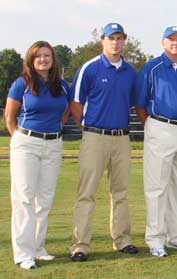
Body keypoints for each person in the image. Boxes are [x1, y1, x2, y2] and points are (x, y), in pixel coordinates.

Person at [69, 22, 139, 262]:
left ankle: (122, 240)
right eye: (111, 38)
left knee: (120, 192)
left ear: (124, 40)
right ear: (103, 40)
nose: (116, 42)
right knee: (86, 193)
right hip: (94, 136)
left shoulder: (130, 72)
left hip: (121, 138)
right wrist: (88, 129)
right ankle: (80, 245)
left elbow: (132, 102)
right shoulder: (89, 68)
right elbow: (76, 104)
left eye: (120, 38)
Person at [134, 26, 177, 257]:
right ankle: (155, 239)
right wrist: (151, 126)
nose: (176, 43)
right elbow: (140, 103)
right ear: (163, 43)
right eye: (171, 39)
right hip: (160, 126)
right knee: (157, 187)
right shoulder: (152, 68)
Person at [5, 41, 70, 270]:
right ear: (31, 60)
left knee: (44, 199)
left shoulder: (61, 85)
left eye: (47, 55)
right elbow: (9, 117)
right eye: (38, 56)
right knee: (24, 199)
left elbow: (64, 113)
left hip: (53, 144)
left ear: (53, 59)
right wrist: (21, 140)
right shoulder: (21, 83)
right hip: (26, 143)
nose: (43, 59)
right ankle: (23, 253)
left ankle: (38, 247)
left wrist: (51, 134)